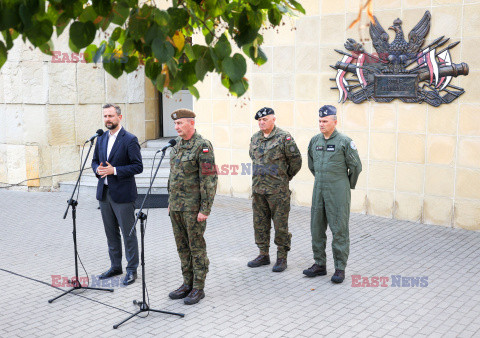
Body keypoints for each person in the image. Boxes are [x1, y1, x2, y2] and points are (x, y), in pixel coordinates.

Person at [304, 105, 362, 283]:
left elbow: (356, 166)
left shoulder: (344, 141)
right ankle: (320, 264)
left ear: (335, 122)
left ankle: (340, 268)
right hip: (319, 189)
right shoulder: (315, 141)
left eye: (325, 121)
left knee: (339, 230)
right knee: (316, 228)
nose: (321, 124)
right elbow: (311, 164)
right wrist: (322, 178)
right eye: (320, 121)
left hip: (338, 191)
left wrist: (346, 185)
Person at [167, 108, 217, 305]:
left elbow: (209, 179)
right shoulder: (177, 145)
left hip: (193, 208)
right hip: (177, 206)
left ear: (191, 123)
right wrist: (170, 202)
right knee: (182, 248)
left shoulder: (202, 146)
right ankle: (186, 283)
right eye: (175, 124)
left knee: (196, 247)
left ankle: (198, 286)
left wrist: (205, 209)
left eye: (180, 123)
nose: (176, 127)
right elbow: (173, 176)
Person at [92, 103, 143, 286]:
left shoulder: (129, 139)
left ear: (119, 117)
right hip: (104, 193)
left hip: (123, 194)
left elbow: (138, 166)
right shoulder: (101, 138)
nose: (107, 119)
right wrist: (97, 169)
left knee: (128, 233)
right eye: (105, 116)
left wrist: (115, 171)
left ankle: (131, 270)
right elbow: (95, 161)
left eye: (111, 116)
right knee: (111, 233)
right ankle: (115, 266)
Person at [247, 107, 302, 272]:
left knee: (280, 225)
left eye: (265, 120)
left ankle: (282, 257)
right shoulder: (255, 138)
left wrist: (285, 178)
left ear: (273, 119)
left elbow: (296, 162)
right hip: (258, 190)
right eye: (259, 120)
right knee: (260, 223)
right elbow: (253, 157)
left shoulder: (284, 138)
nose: (261, 123)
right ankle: (263, 254)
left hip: (278, 191)